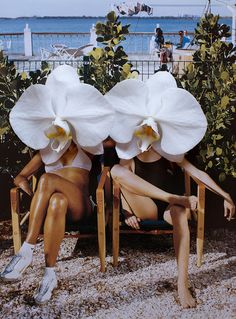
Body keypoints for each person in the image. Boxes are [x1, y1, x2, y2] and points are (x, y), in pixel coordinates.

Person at [105, 71, 235, 308]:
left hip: (169, 208)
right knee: (115, 170)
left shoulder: (169, 151)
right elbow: (121, 182)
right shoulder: (128, 150)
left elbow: (198, 174)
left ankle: (182, 284)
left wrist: (225, 195)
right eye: (143, 127)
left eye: (151, 129)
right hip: (147, 206)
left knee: (180, 214)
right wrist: (126, 212)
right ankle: (174, 198)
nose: (146, 132)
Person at [0, 65, 114, 304]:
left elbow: (116, 140)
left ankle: (27, 249)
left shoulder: (88, 145)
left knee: (48, 179)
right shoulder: (45, 151)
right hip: (59, 207)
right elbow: (19, 176)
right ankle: (49, 275)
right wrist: (27, 187)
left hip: (83, 205)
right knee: (56, 201)